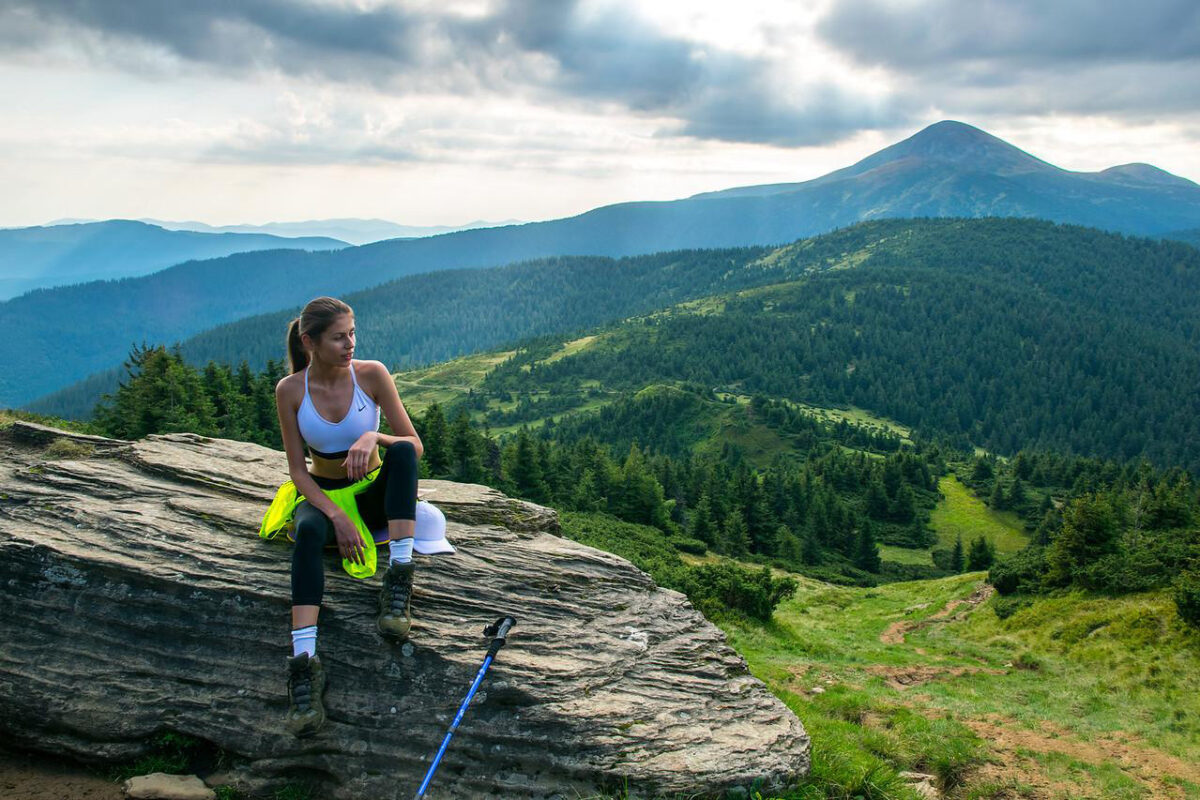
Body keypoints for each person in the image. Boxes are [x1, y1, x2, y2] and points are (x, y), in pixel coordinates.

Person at [264, 296, 423, 737]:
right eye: (339, 337)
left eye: (352, 333)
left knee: (404, 453)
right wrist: (336, 515)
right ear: (310, 341)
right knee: (309, 531)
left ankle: (399, 578)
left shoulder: (372, 375)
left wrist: (374, 435)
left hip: (372, 492)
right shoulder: (290, 390)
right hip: (325, 494)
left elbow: (414, 445)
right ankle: (303, 663)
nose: (350, 343)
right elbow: (298, 471)